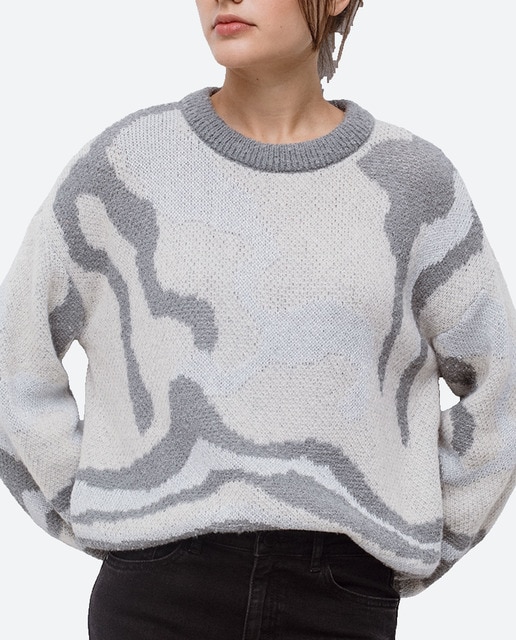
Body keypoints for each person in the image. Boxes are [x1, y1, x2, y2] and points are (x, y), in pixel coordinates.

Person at [0, 0, 514, 638]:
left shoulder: (415, 184)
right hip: (155, 594)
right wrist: (85, 503)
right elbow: (14, 351)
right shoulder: (126, 165)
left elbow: (500, 381)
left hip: (340, 599)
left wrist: (426, 533)